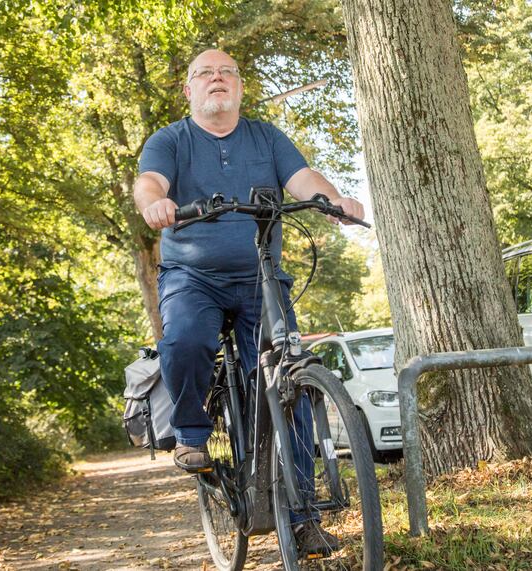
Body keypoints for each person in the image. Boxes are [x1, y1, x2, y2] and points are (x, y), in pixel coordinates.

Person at [133, 48, 364, 554]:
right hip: (192, 276)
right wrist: (155, 202)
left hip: (262, 277)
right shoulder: (170, 139)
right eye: (204, 74)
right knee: (186, 338)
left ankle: (302, 518)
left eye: (226, 73)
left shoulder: (266, 137)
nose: (216, 80)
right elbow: (150, 181)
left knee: (289, 384)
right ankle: (192, 433)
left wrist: (334, 200)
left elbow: (303, 179)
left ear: (239, 87)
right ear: (189, 90)